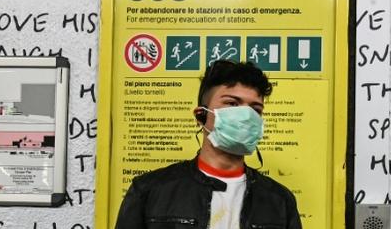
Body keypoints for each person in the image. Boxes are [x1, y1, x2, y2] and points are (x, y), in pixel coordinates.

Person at [115, 60, 302, 229]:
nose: (246, 116)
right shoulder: (149, 190)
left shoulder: (280, 200)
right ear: (201, 115)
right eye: (232, 104)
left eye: (255, 109)